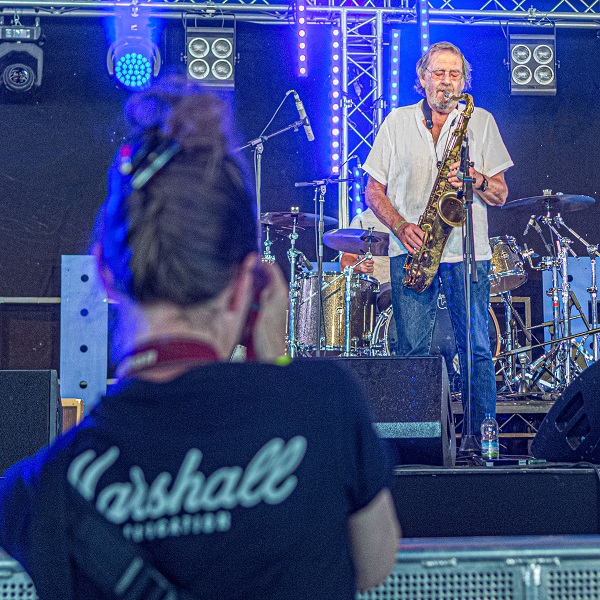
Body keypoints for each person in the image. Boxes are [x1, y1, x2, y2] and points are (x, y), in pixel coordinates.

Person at [0, 78, 400, 600]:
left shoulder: (37, 491)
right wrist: (274, 366)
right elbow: (374, 566)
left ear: (104, 273)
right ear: (249, 284)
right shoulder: (324, 405)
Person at [362, 41, 513, 440]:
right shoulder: (396, 122)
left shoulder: (480, 122)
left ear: (464, 81)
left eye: (454, 74)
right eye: (439, 73)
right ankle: (414, 440)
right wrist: (400, 226)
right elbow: (373, 191)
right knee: (411, 351)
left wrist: (475, 179)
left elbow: (500, 194)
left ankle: (482, 439)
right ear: (423, 79)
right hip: (412, 250)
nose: (446, 81)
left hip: (468, 253)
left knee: (477, 348)